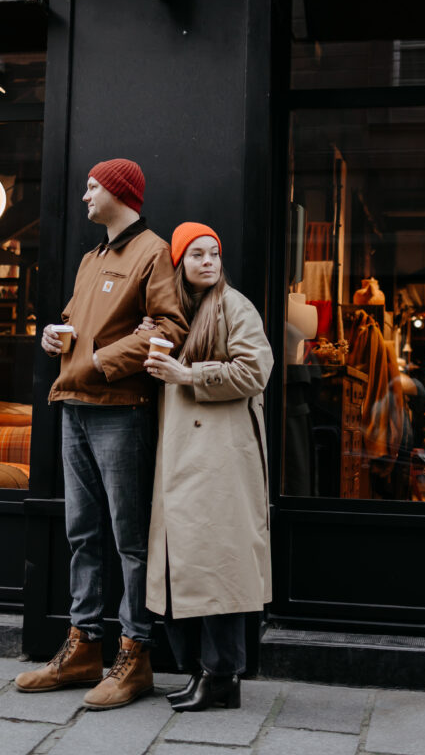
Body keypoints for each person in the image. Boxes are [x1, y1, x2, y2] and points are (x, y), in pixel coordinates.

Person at [15, 159, 188, 710]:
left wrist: (98, 359)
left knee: (130, 542)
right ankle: (84, 646)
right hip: (74, 406)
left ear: (119, 192)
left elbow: (170, 328)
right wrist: (53, 334)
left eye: (93, 187)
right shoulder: (92, 259)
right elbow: (75, 321)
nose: (85, 195)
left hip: (121, 410)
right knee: (82, 534)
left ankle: (135, 658)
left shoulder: (154, 252)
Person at [142, 222, 273, 712]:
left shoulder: (235, 306)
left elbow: (256, 370)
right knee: (185, 571)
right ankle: (201, 672)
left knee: (219, 570)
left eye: (214, 253)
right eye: (196, 254)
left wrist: (186, 373)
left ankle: (222, 679)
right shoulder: (173, 312)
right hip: (181, 457)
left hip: (219, 457)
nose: (208, 262)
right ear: (179, 262)